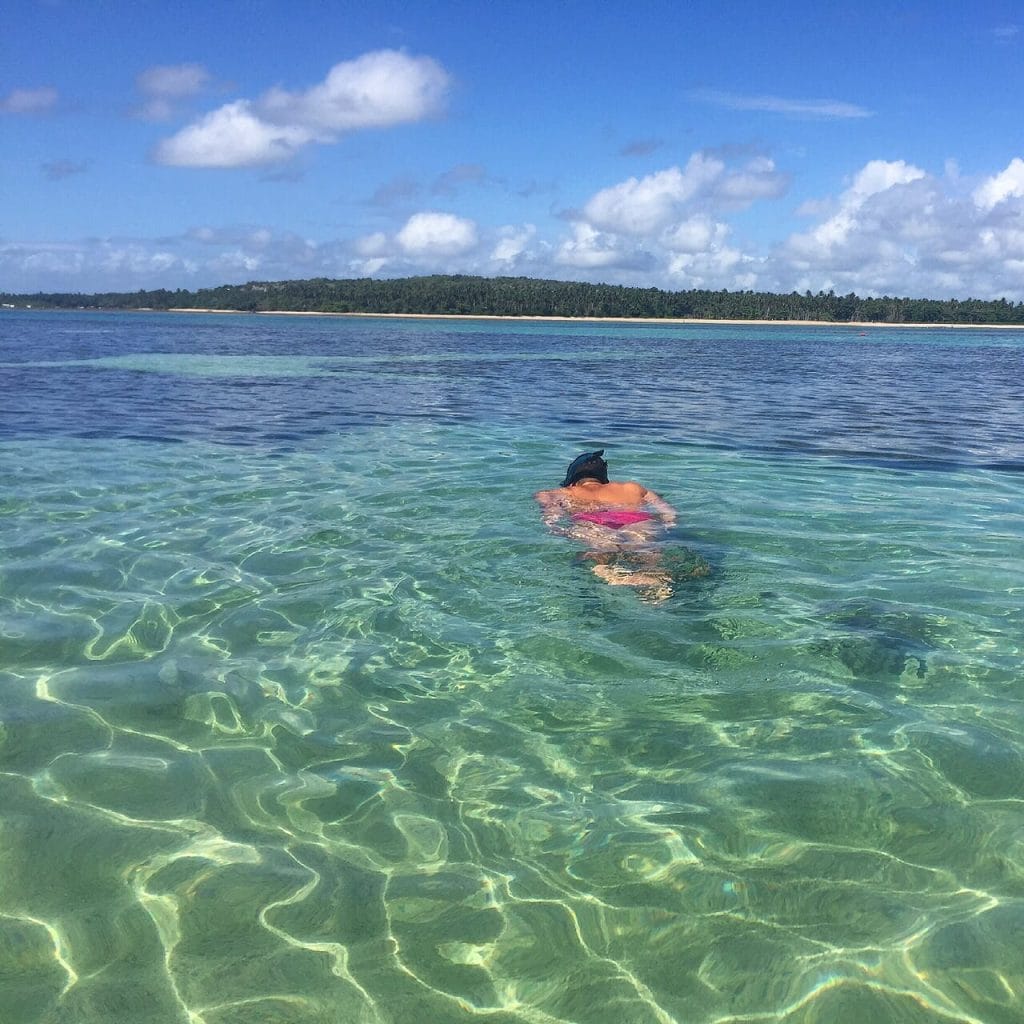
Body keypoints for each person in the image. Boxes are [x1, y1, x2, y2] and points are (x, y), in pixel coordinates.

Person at [534, 449, 683, 598]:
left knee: (601, 553)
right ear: (603, 477)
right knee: (648, 553)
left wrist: (560, 530)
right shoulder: (633, 488)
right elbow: (670, 513)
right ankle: (657, 584)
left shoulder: (558, 493)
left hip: (593, 522)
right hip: (637, 521)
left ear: (571, 481)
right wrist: (667, 526)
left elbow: (551, 517)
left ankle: (613, 575)